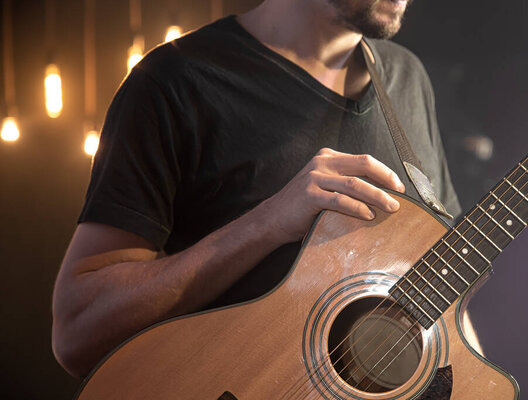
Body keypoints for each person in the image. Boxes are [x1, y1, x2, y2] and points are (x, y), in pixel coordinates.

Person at [52, 0, 471, 379]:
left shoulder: (408, 78)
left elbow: (444, 294)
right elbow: (77, 333)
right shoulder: (174, 81)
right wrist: (266, 223)